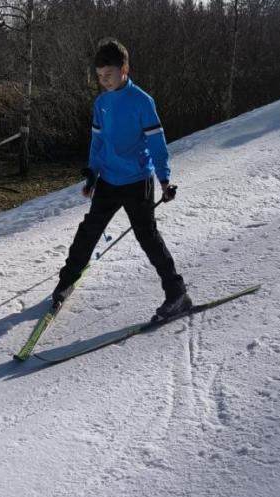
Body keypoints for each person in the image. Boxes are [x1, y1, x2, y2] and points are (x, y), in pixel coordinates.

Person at [52, 38, 191, 321]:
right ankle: (67, 280)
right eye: (100, 76)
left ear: (124, 68)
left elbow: (157, 143)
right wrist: (92, 174)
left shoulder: (141, 101)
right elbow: (98, 142)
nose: (105, 81)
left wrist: (164, 180)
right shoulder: (101, 103)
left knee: (147, 237)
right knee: (89, 229)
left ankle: (177, 294)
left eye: (109, 75)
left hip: (138, 180)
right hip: (109, 180)